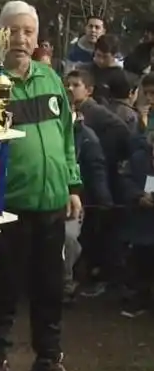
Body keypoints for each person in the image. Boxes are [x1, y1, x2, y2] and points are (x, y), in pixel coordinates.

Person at [0, 0, 83, 371]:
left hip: (51, 204)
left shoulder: (51, 80)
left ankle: (48, 359)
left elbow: (66, 137)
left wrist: (71, 184)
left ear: (37, 37)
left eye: (28, 31)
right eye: (12, 30)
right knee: (1, 288)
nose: (20, 38)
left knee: (50, 287)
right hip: (6, 210)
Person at [65, 69, 130, 298]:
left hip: (96, 178)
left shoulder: (95, 113)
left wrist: (108, 155)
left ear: (89, 90)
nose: (70, 89)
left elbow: (122, 131)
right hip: (81, 178)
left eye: (76, 85)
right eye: (68, 85)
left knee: (93, 233)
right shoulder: (70, 110)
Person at [63, 112, 111, 303]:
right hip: (41, 195)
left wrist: (104, 199)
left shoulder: (87, 138)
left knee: (67, 238)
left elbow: (97, 170)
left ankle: (65, 284)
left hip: (75, 200)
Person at [119, 131, 154, 316]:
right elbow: (126, 181)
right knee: (141, 261)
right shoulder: (138, 158)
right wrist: (139, 196)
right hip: (143, 223)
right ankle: (140, 297)